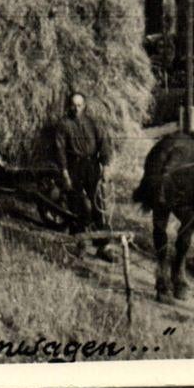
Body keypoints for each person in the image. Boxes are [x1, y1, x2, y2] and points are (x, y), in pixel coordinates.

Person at [53, 91, 116, 263]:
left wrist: (106, 166)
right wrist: (65, 172)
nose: (76, 108)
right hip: (74, 167)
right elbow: (60, 149)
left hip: (92, 166)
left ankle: (103, 246)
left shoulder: (93, 123)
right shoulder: (64, 124)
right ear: (69, 106)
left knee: (98, 203)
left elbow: (104, 144)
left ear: (85, 106)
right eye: (73, 105)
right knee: (78, 205)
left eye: (79, 105)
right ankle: (79, 244)